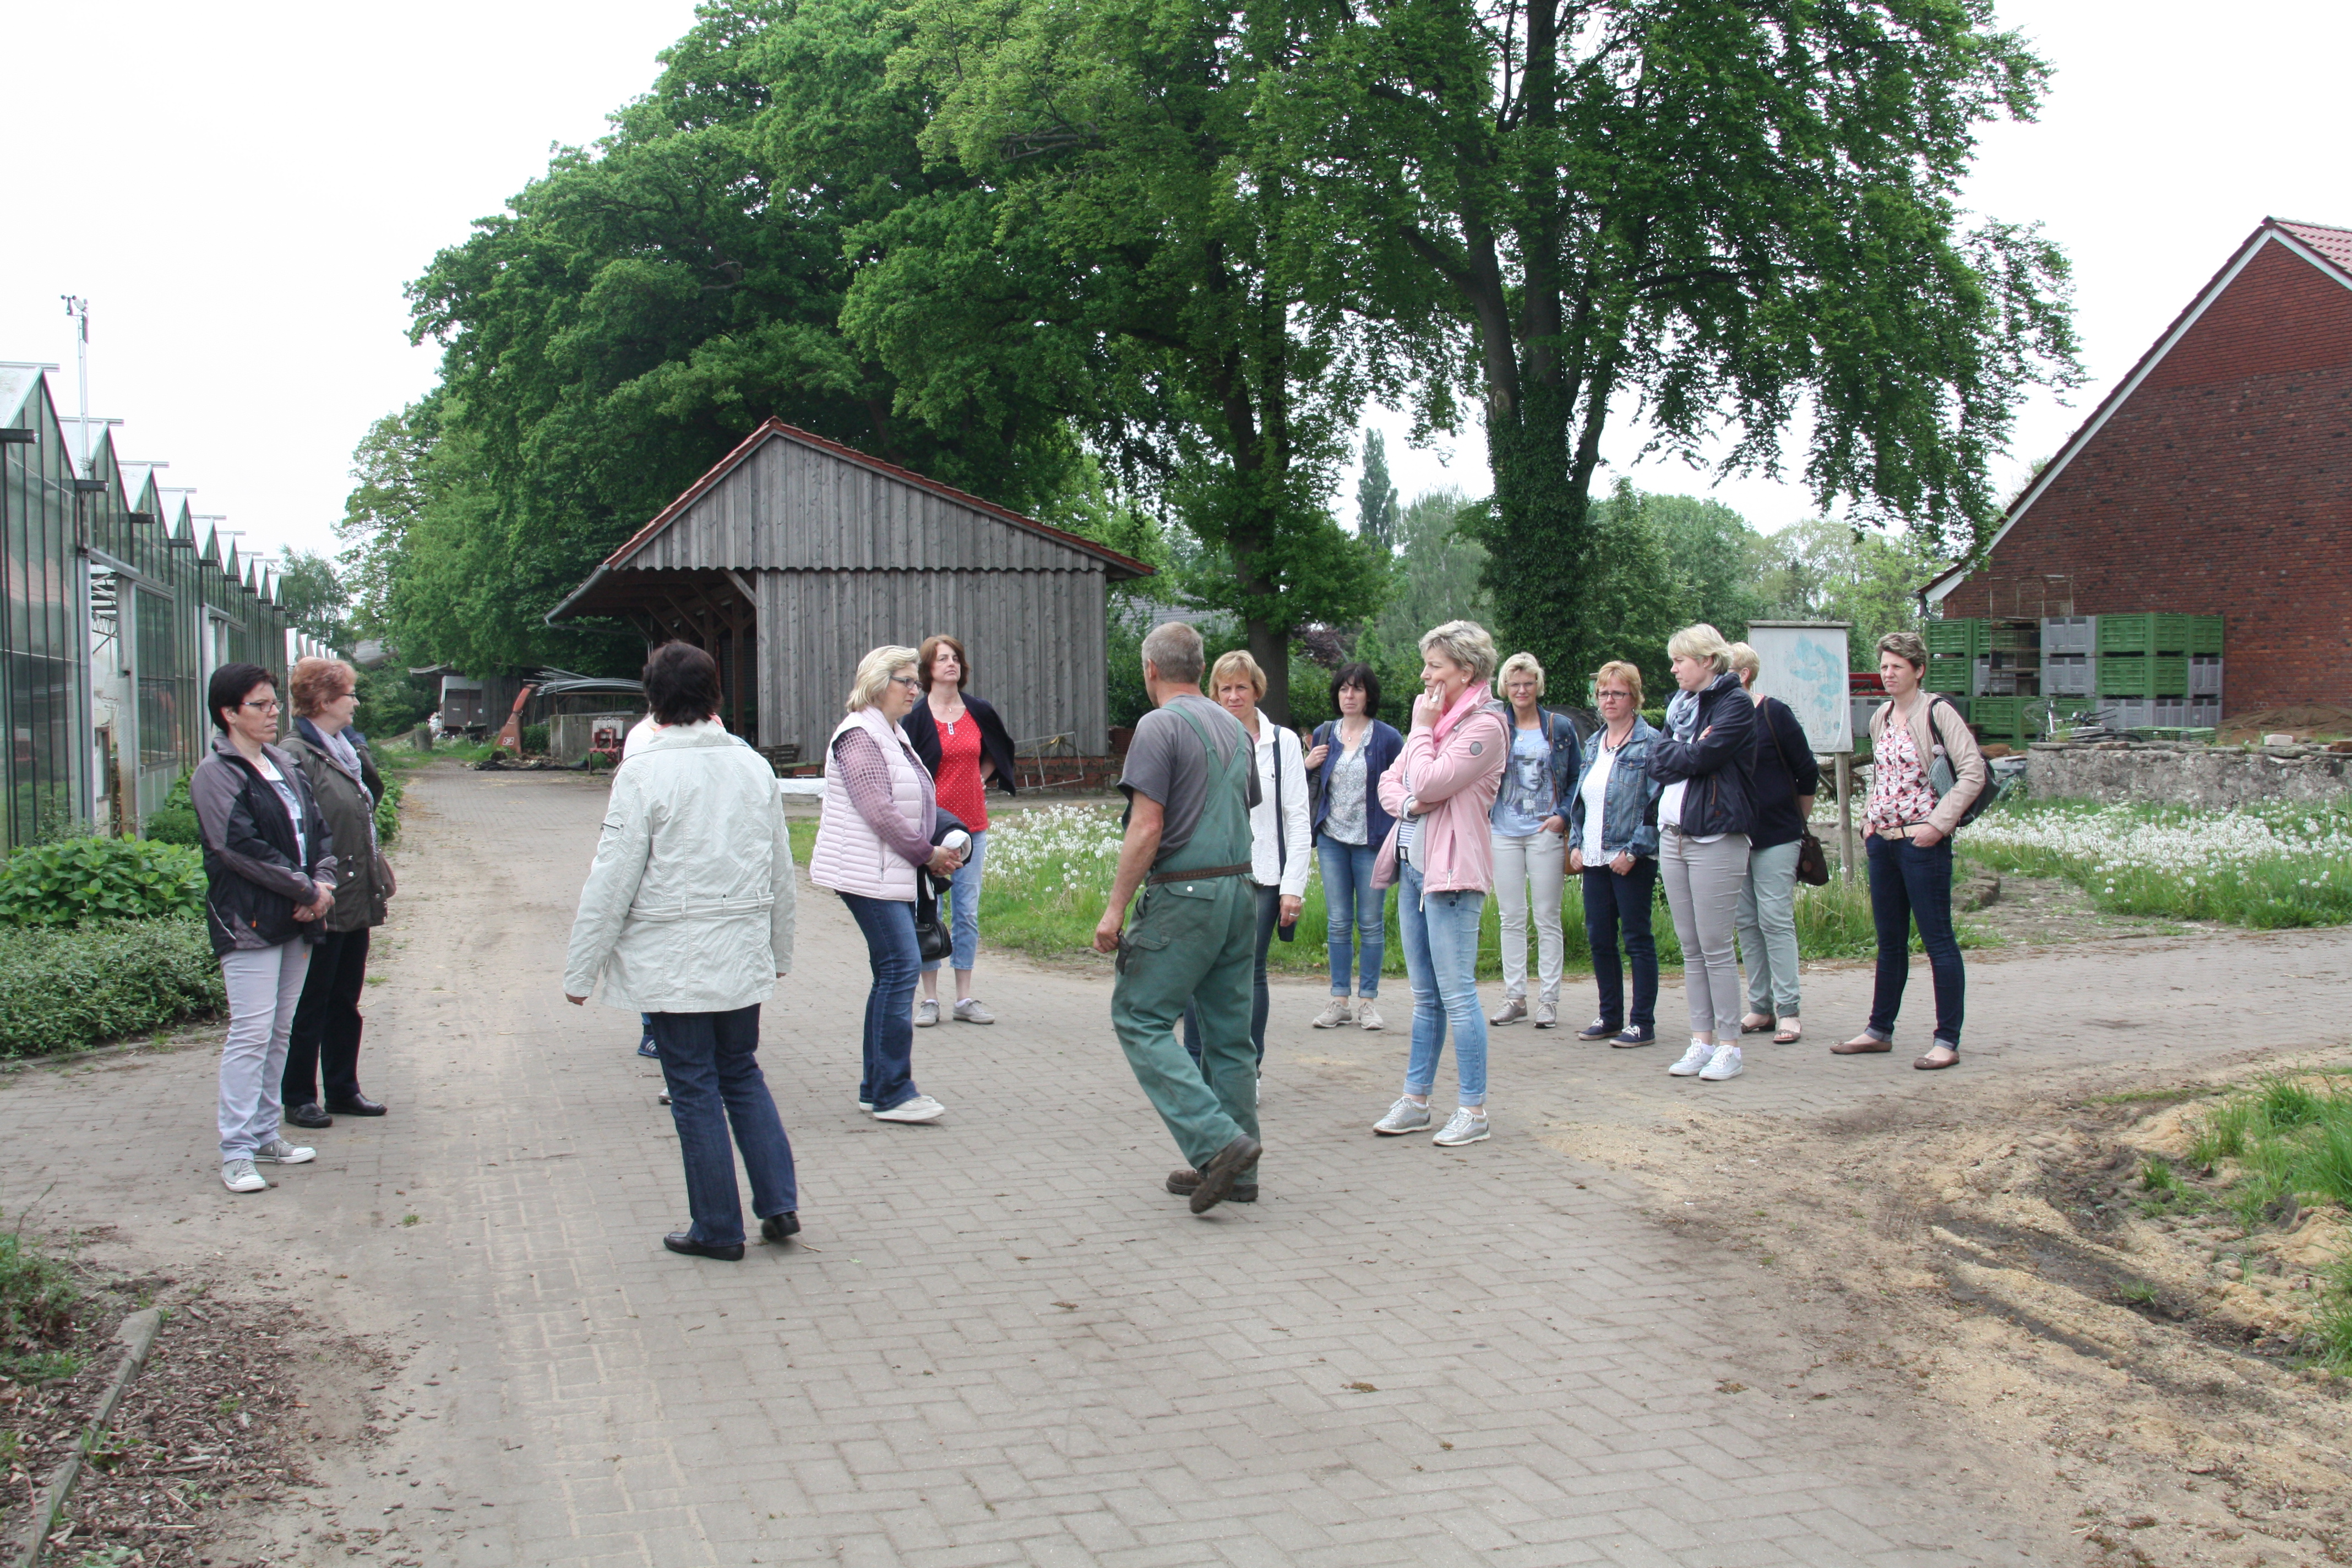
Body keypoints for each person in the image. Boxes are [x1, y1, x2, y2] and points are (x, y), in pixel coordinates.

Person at [564, 642, 801, 1261]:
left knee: (694, 1086)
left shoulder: (643, 773)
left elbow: (612, 877)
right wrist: (779, 949)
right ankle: (779, 1202)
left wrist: (580, 968)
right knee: (742, 1073)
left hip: (674, 959)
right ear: (714, 694)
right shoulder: (752, 766)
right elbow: (781, 868)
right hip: (740, 951)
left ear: (653, 702)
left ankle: (717, 1227)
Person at [1091, 621, 1263, 1212]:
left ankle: (1219, 1144)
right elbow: (1242, 806)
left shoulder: (1157, 725)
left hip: (1185, 894)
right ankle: (1240, 1171)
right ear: (1201, 666)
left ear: (1151, 670)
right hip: (1241, 890)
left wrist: (1115, 910)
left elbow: (1147, 825)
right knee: (1229, 1035)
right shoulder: (1238, 730)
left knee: (1139, 1015)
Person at [191, 662, 335, 1195]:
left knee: (280, 1030)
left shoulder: (282, 763)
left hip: (299, 916)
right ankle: (236, 1151)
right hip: (251, 921)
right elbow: (238, 848)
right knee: (250, 1034)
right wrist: (306, 891)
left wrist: (322, 885)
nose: (274, 713)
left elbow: (317, 831)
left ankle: (264, 1133)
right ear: (229, 713)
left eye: (275, 704)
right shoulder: (217, 774)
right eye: (261, 705)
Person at [808, 646, 967, 1124]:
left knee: (893, 973)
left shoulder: (891, 732)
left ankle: (877, 1086)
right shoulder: (860, 735)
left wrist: (946, 838)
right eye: (907, 681)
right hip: (867, 875)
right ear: (878, 683)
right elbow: (879, 810)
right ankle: (893, 1092)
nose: (915, 690)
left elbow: (914, 803)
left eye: (916, 682)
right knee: (900, 969)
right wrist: (928, 855)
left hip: (885, 872)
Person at [1371, 620, 1508, 1147]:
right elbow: (1394, 781)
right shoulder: (1437, 721)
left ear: (1465, 671)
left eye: (1434, 665)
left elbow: (1427, 778)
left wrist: (1422, 732)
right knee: (1426, 996)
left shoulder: (1485, 727)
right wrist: (1410, 802)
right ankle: (1417, 1100)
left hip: (1452, 876)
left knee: (1457, 994)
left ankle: (1473, 1110)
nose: (1424, 675)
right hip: (1413, 869)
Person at [1839, 630, 1986, 1071]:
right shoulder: (1881, 716)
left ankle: (1947, 1039)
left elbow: (1972, 772)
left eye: (1897, 668)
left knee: (1938, 940)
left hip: (1923, 845)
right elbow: (1883, 776)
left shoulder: (1937, 712)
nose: (1888, 675)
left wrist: (1938, 826)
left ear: (1918, 671)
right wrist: (1868, 821)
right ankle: (1878, 1030)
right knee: (1889, 941)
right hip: (1884, 843)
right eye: (1884, 667)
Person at [279, 657, 396, 1129]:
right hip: (322, 896)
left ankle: (344, 1088)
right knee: (313, 1000)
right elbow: (296, 828)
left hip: (354, 894)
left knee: (345, 997)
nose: (356, 703)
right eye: (349, 695)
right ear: (325, 701)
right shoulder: (296, 755)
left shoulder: (342, 748)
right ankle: (299, 1095)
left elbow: (369, 796)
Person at [1179, 650, 1309, 1069]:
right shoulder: (1200, 737)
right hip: (1209, 872)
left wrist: (1293, 887)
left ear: (1256, 690)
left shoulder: (1283, 743)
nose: (1233, 696)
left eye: (1241, 687)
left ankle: (1246, 1069)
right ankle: (1198, 1065)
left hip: (1264, 874)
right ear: (1214, 694)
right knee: (1202, 971)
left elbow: (1298, 817)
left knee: (1249, 972)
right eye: (1224, 689)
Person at [1646, 623, 1758, 1083]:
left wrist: (1685, 749)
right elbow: (1657, 759)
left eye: (1680, 661)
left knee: (1715, 946)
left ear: (1707, 662)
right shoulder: (1681, 706)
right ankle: (1701, 1040)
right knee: (1690, 947)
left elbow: (1700, 759)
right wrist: (1687, 747)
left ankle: (1730, 1046)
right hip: (1672, 833)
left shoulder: (1735, 704)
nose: (1673, 669)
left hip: (1715, 834)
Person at [900, 634, 1017, 1028]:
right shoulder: (915, 719)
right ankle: (929, 999)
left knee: (966, 913)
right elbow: (905, 769)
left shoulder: (978, 711)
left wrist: (980, 780)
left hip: (974, 827)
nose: (951, 664)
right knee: (928, 909)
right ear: (928, 669)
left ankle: (964, 998)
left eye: (956, 658)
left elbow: (998, 749)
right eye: (942, 659)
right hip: (931, 830)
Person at [1726, 643, 1821, 1047]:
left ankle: (1789, 1011)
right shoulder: (1719, 716)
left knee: (1775, 919)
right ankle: (1760, 1006)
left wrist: (1796, 820)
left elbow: (1806, 770)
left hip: (1778, 834)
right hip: (1734, 836)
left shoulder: (1773, 713)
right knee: (1747, 921)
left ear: (1744, 674)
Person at [1566, 661, 1664, 1047]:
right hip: (1592, 857)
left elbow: (1656, 804)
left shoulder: (1651, 743)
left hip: (1629, 859)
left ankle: (1642, 1023)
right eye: (1604, 693)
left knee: (1637, 938)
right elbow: (1581, 800)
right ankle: (1609, 1016)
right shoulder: (1593, 743)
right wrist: (1576, 843)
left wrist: (1635, 850)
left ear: (1634, 698)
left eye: (1618, 693)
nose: (1609, 700)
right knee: (1600, 938)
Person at [1485, 652, 1583, 1029]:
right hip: (1504, 832)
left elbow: (1577, 775)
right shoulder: (1496, 725)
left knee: (1547, 917)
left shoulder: (1559, 727)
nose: (1522, 690)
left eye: (1528, 683)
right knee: (1510, 917)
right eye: (1515, 684)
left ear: (1538, 686)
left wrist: (1563, 815)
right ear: (1506, 689)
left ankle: (1549, 999)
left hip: (1545, 831)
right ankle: (1515, 996)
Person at [1303, 663, 1402, 1031]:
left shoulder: (1387, 738)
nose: (1349, 696)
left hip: (1371, 842)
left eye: (1357, 690)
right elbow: (1310, 786)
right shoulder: (1325, 733)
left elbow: (1403, 783)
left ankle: (1368, 1003)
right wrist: (1308, 764)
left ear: (1369, 696)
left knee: (1372, 923)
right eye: (1344, 689)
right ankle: (1339, 1000)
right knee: (1339, 922)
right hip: (1332, 840)